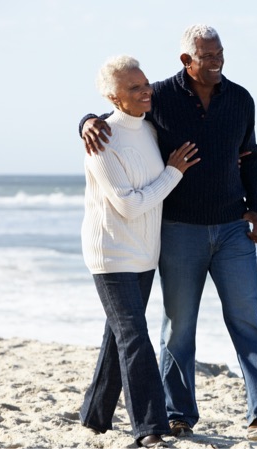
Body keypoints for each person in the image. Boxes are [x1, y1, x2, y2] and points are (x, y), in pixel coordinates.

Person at [79, 25, 257, 441]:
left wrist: (256, 207)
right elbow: (121, 114)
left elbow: (250, 156)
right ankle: (178, 413)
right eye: (207, 56)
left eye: (220, 53)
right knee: (179, 326)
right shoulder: (160, 97)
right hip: (179, 231)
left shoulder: (240, 99)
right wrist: (86, 120)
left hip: (232, 229)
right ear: (186, 60)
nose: (217, 61)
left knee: (247, 316)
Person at [79, 54, 199, 448]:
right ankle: (150, 428)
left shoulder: (149, 129)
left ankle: (95, 415)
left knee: (120, 334)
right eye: (134, 87)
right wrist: (173, 173)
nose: (146, 90)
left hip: (144, 254)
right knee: (134, 335)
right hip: (111, 253)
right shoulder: (101, 140)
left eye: (145, 82)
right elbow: (128, 204)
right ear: (115, 97)